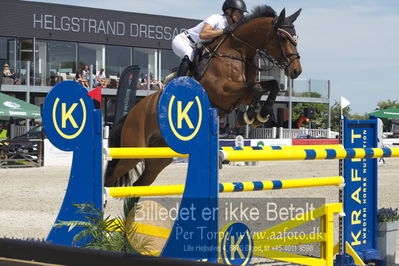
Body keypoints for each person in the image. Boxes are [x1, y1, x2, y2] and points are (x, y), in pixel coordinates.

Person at [172, 0, 247, 77]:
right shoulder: (216, 18)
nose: (241, 15)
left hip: (197, 48)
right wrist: (223, 31)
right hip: (183, 41)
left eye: (242, 13)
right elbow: (203, 34)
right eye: (239, 12)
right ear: (229, 11)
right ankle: (178, 83)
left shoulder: (232, 27)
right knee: (189, 54)